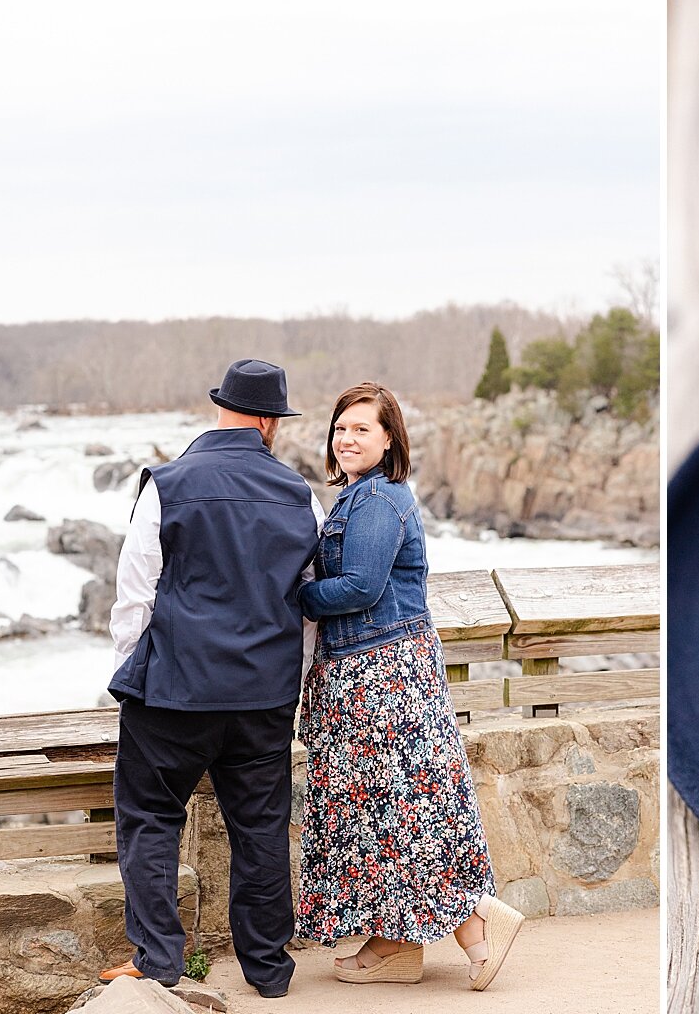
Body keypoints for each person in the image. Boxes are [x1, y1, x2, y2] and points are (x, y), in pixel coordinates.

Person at [100, 359, 322, 999]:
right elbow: (306, 602)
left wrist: (131, 674)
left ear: (221, 411)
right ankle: (269, 972)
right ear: (267, 422)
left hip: (174, 692)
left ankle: (160, 962)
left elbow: (135, 597)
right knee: (260, 828)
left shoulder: (165, 485)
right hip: (263, 696)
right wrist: (292, 679)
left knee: (149, 817)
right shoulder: (298, 494)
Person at [295, 381, 523, 990]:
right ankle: (396, 946)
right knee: (387, 817)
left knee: (406, 816)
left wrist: (290, 597)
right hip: (369, 670)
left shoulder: (378, 501)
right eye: (340, 428)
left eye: (361, 429)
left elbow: (361, 587)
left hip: (386, 676)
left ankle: (478, 928)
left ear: (390, 438)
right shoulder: (359, 496)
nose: (346, 439)